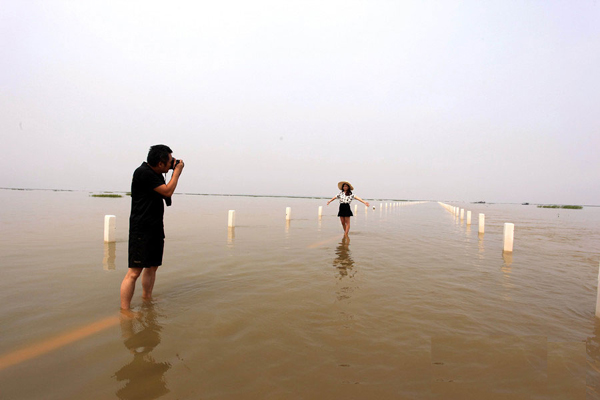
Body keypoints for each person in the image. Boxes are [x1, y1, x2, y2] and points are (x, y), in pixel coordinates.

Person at [120, 144, 184, 311]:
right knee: (134, 272)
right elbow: (167, 191)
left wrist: (172, 168)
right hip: (141, 228)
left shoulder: (156, 173)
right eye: (169, 161)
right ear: (160, 163)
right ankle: (125, 310)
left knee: (152, 266)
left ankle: (146, 298)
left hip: (155, 226)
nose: (172, 164)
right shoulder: (144, 173)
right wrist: (177, 172)